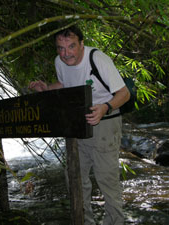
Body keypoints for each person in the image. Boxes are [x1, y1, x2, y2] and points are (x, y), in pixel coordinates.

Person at [29, 25, 130, 225]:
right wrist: (47, 88)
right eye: (61, 48)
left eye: (71, 47)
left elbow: (124, 93)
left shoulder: (97, 59)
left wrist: (105, 108)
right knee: (74, 177)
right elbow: (67, 84)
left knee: (106, 181)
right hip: (78, 123)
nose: (66, 54)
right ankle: (85, 221)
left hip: (105, 123)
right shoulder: (60, 61)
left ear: (82, 44)